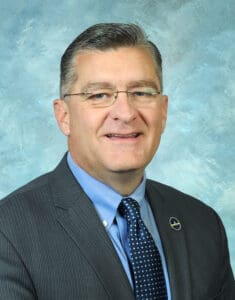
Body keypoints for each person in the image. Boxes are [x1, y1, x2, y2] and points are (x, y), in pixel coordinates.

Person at [0, 23, 234, 300]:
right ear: (64, 117)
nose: (125, 113)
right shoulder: (9, 232)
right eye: (99, 95)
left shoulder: (202, 223)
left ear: (163, 111)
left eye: (141, 93)